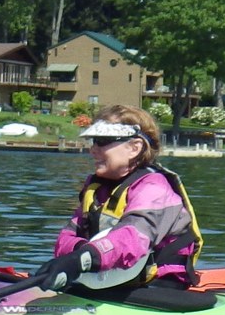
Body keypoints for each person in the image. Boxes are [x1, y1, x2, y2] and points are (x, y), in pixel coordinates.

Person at [39, 104, 202, 295]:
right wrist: (78, 253)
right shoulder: (97, 189)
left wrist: (83, 258)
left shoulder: (154, 188)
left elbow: (132, 238)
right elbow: (66, 237)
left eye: (102, 141)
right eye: (93, 141)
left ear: (134, 148)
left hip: (157, 287)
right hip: (110, 282)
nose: (93, 149)